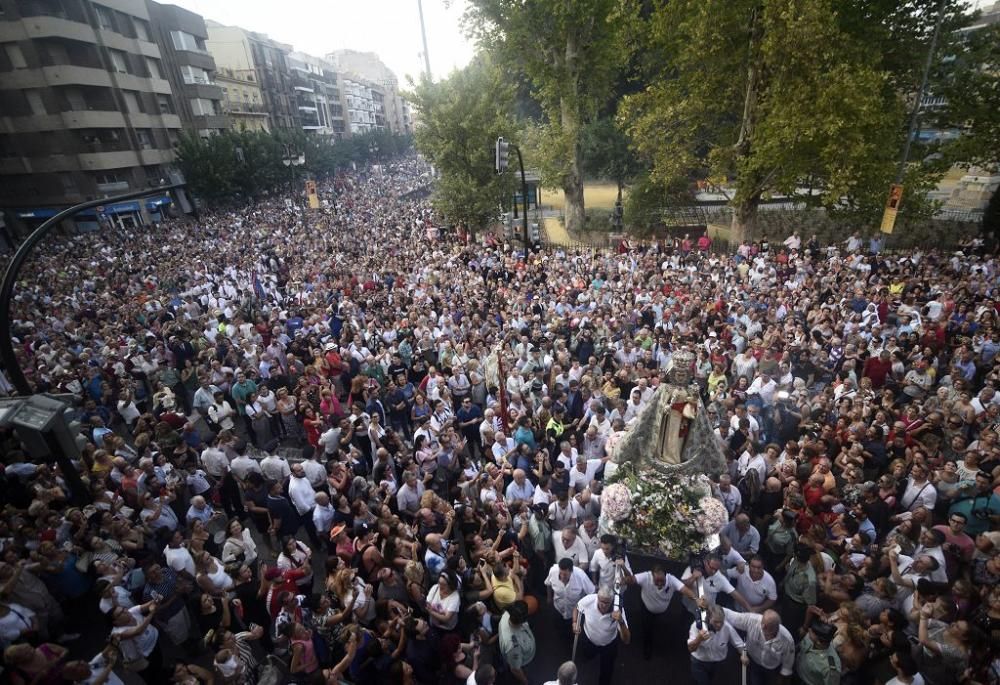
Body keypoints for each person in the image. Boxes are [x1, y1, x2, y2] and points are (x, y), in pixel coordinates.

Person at [623, 563, 698, 659]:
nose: (659, 584)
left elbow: (685, 590)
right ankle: (647, 646)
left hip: (663, 610)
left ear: (666, 576)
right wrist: (624, 578)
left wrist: (697, 599)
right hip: (646, 607)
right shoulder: (646, 576)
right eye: (656, 581)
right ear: (651, 576)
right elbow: (632, 580)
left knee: (660, 626)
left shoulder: (672, 580)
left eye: (661, 581)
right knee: (647, 628)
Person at [573, 586, 631, 685]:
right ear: (597, 598)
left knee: (607, 671)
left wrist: (621, 621)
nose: (603, 605)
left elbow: (627, 640)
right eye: (601, 601)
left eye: (607, 602)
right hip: (589, 640)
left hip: (608, 645)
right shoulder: (589, 600)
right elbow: (577, 607)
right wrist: (574, 622)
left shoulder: (618, 610)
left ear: (612, 600)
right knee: (587, 655)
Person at [722, 608, 795, 685]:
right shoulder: (752, 620)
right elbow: (732, 616)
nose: (762, 627)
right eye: (762, 623)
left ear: (775, 627)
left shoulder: (787, 640)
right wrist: (712, 607)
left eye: (767, 626)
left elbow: (787, 666)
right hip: (753, 661)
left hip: (771, 668)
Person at [687, 604, 747, 685]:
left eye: (721, 621)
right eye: (716, 622)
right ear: (709, 619)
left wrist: (744, 654)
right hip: (699, 662)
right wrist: (699, 639)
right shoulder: (696, 626)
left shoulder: (727, 627)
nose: (719, 625)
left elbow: (739, 643)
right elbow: (691, 648)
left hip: (718, 663)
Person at [545, 557, 595, 636]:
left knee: (572, 634)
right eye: (560, 573)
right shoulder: (553, 571)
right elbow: (548, 584)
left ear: (571, 571)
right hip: (558, 608)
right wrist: (549, 597)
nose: (562, 576)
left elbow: (592, 592)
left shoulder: (581, 576)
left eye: (565, 574)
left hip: (574, 612)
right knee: (558, 629)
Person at [497, 600, 535, 685]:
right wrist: (524, 681)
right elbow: (515, 669)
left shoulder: (507, 614)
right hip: (523, 663)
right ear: (523, 620)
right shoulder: (513, 646)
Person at [794, 620, 841, 685]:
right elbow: (800, 646)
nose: (809, 629)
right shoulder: (810, 637)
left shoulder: (830, 668)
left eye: (813, 631)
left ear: (819, 642)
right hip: (796, 672)